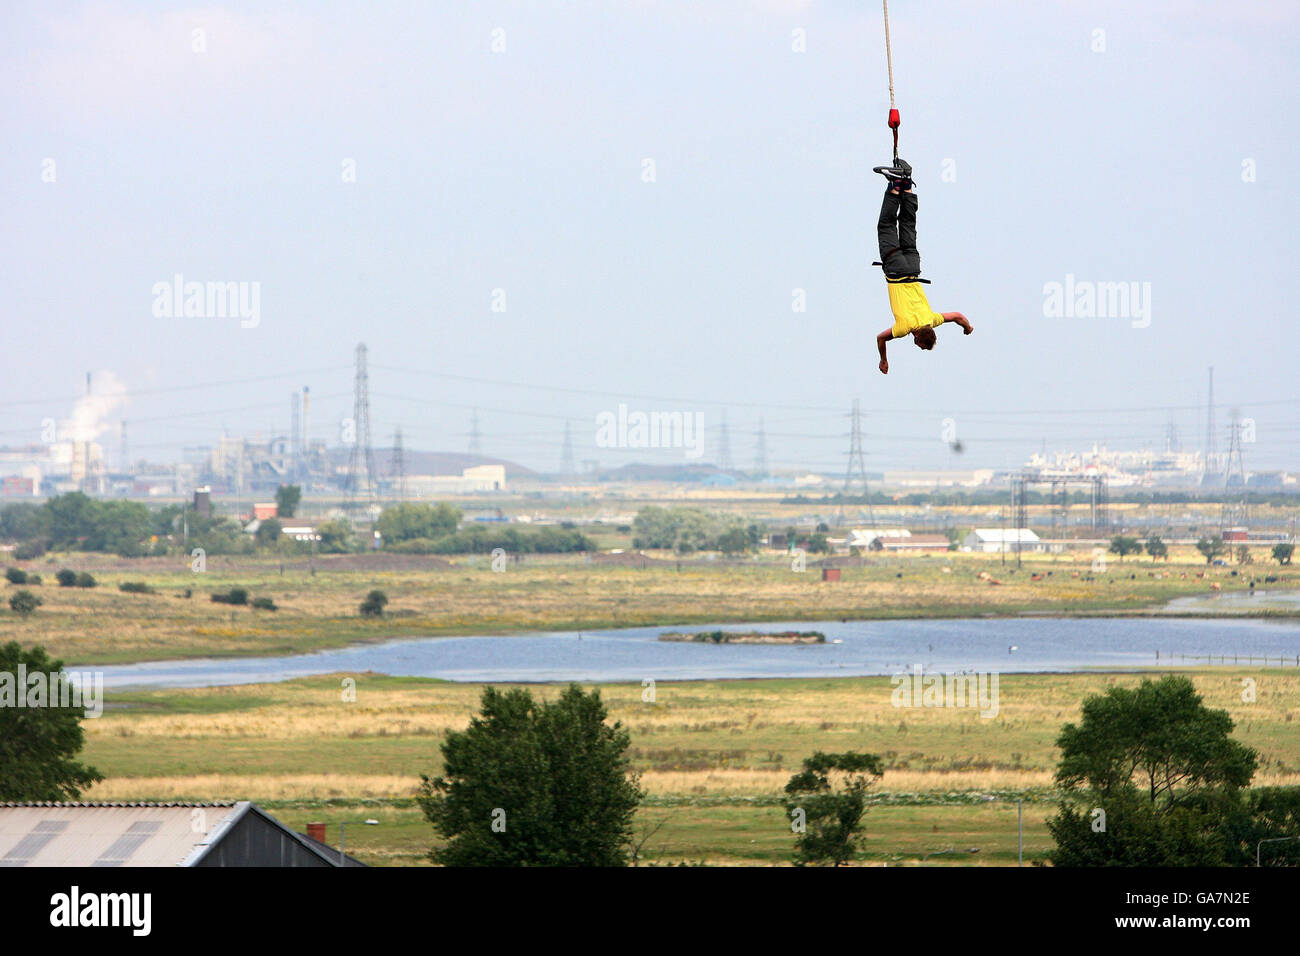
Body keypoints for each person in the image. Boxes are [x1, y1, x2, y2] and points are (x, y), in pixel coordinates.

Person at [874, 159, 972, 374]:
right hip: (895, 268)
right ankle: (893, 184)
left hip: (913, 266)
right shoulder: (904, 328)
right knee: (887, 225)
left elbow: (957, 316)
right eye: (918, 344)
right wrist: (883, 360)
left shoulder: (932, 319)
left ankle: (906, 183)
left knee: (908, 224)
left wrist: (968, 327)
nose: (915, 344)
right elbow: (880, 338)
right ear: (918, 336)